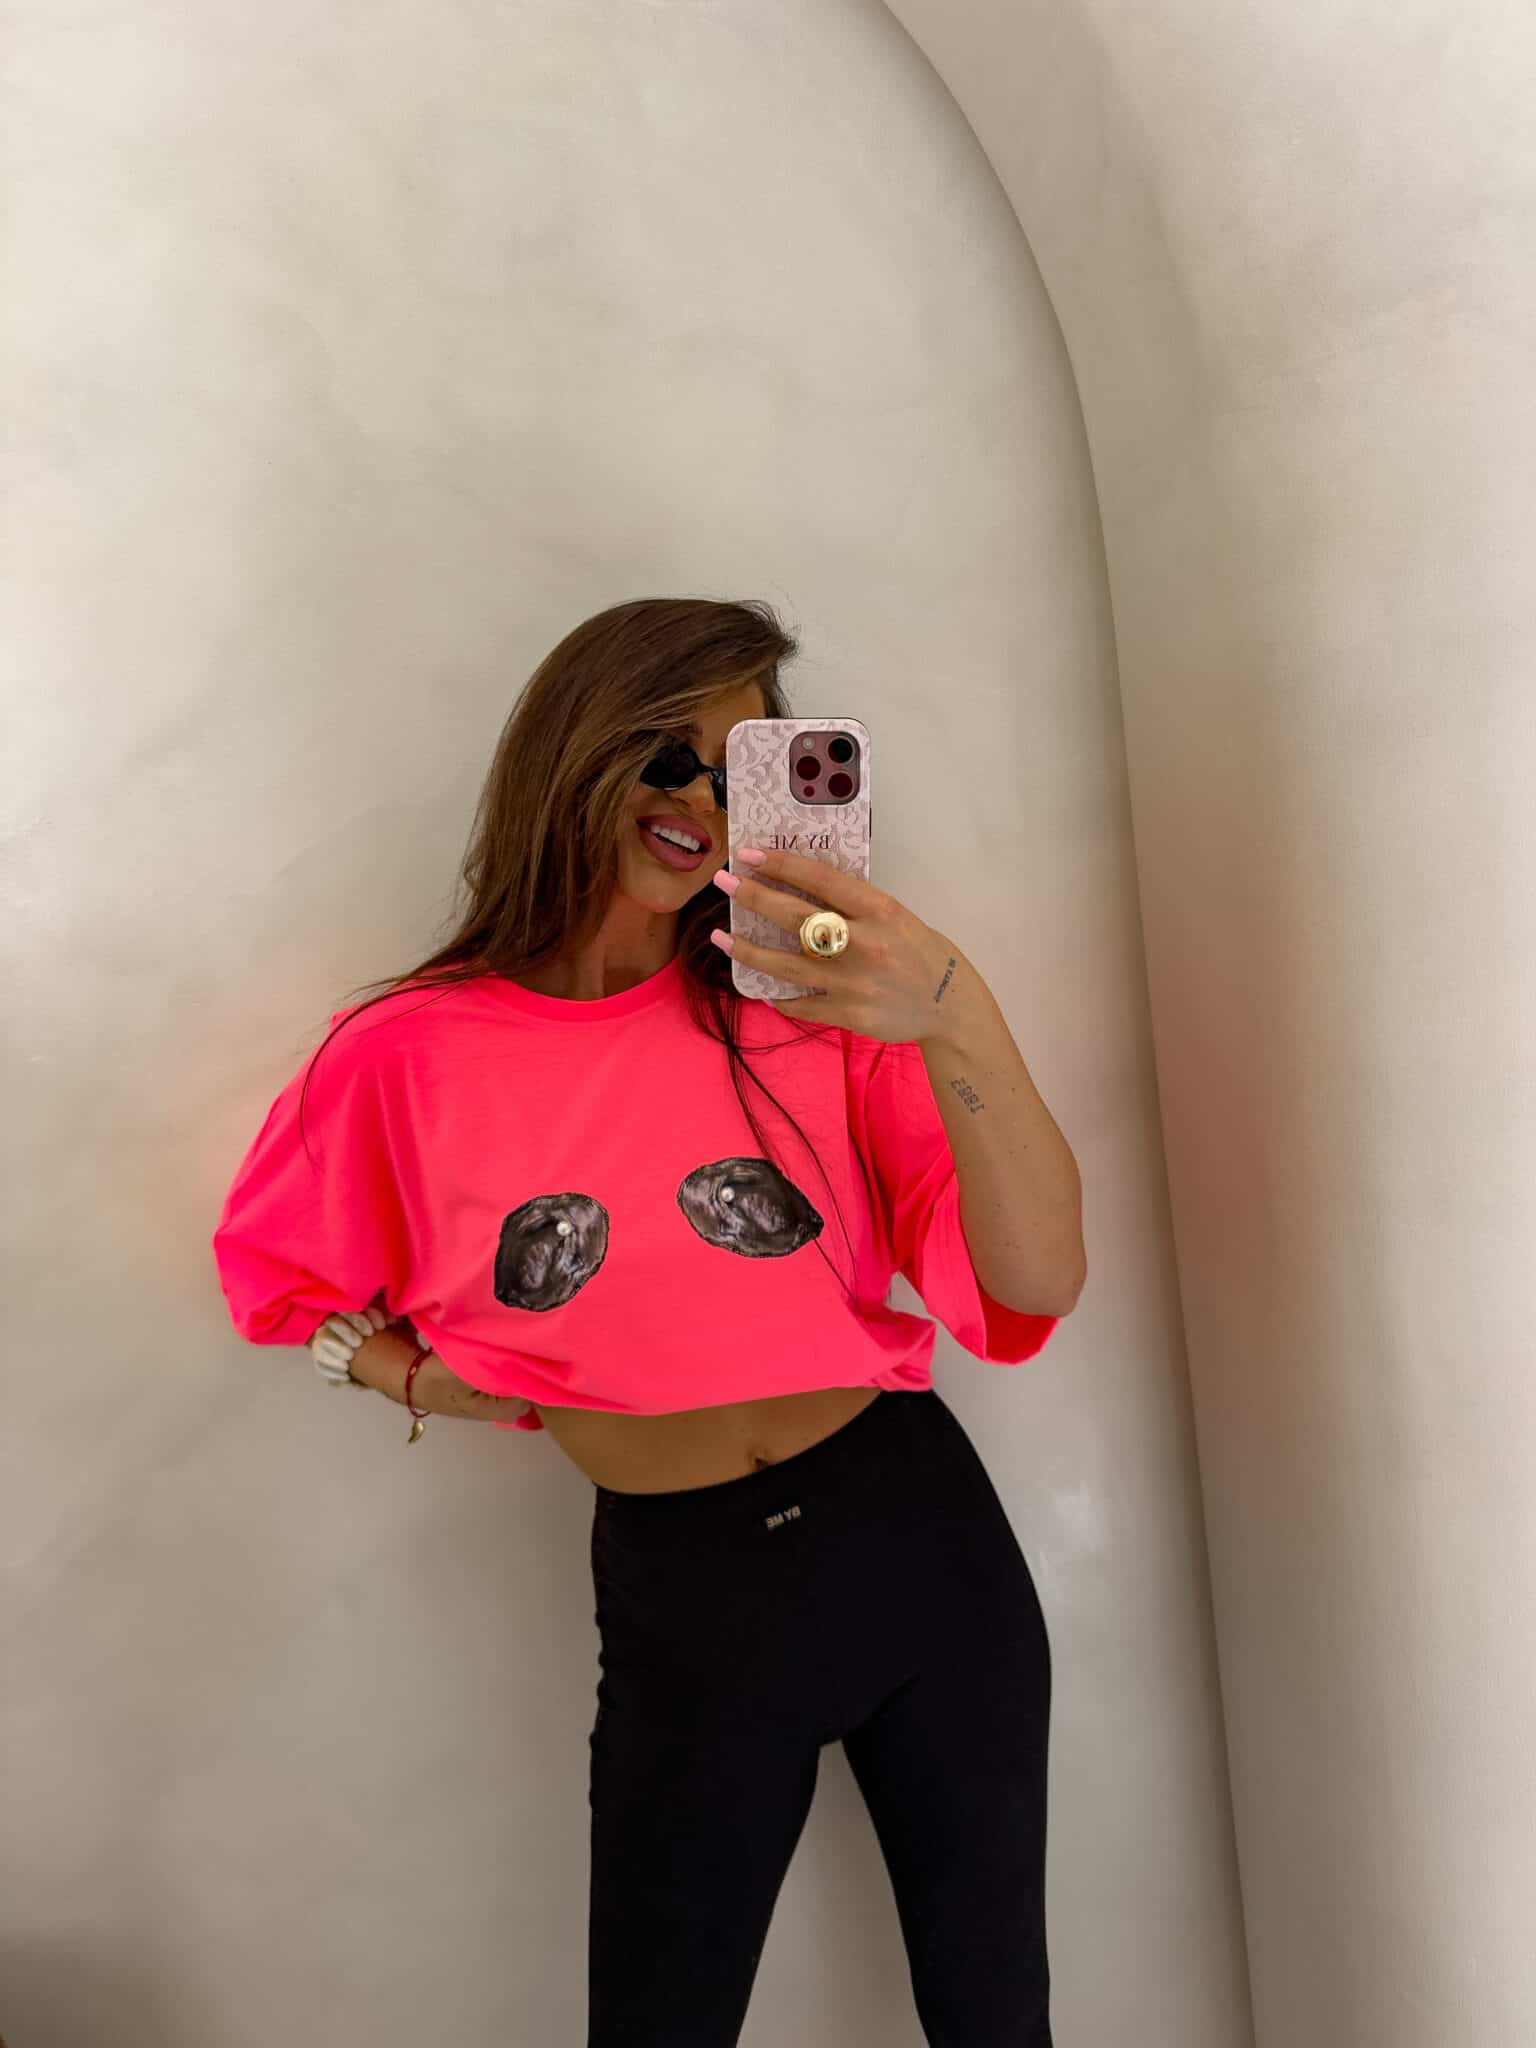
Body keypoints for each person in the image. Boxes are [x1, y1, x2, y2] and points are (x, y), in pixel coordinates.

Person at [212, 596, 1085, 2046]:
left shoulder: (813, 1015)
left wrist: (953, 1013)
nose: (698, 803)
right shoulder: (406, 1056)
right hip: (691, 1596)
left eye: (740, 773)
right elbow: (275, 1275)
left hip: (920, 1542)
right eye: (666, 753)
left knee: (997, 2014)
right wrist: (411, 1376)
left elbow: (1038, 1281)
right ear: (574, 752)